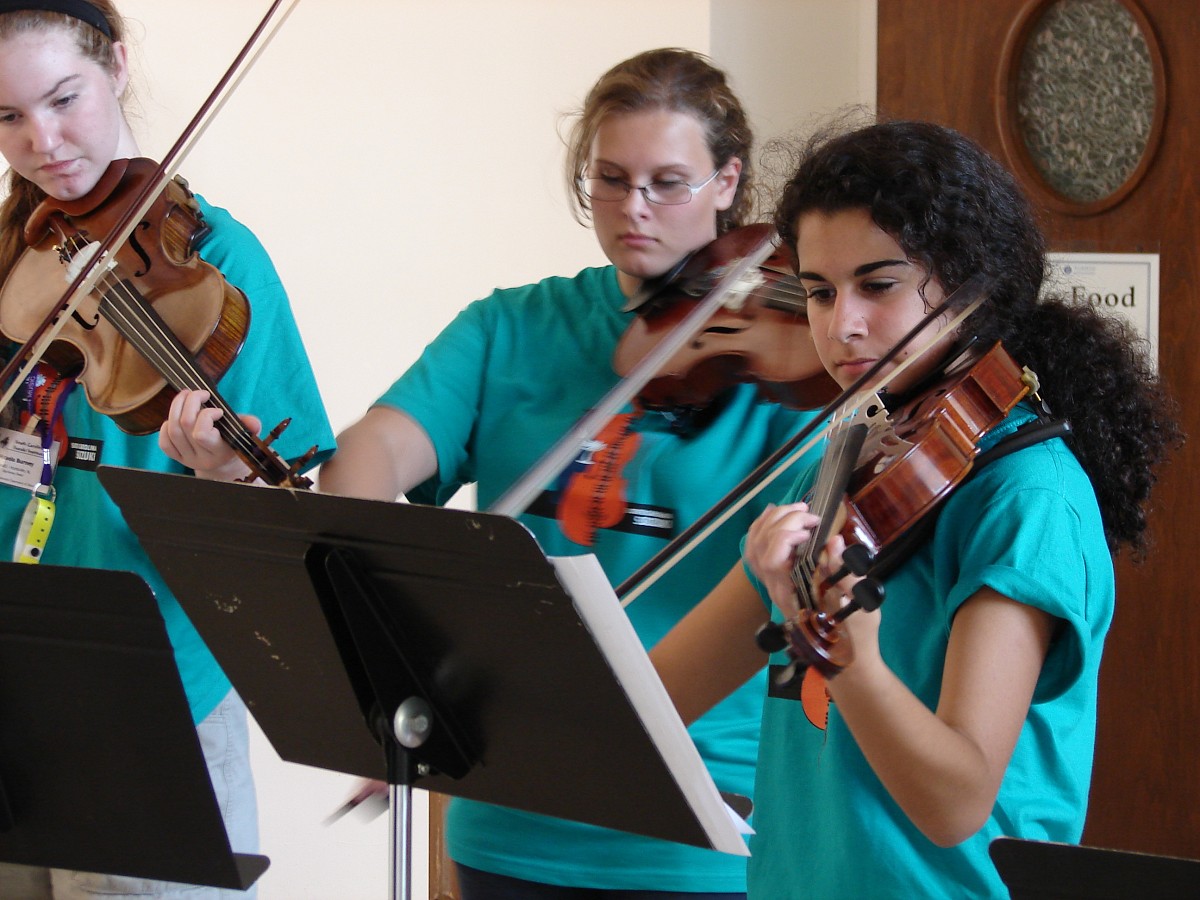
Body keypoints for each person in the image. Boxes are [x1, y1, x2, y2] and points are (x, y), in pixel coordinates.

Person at [316, 48, 824, 899]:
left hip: (700, 822)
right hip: (509, 814)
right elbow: (375, 451)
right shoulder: (512, 327)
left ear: (729, 182)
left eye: (670, 183)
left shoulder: (793, 365)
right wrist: (388, 639)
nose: (635, 210)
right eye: (611, 180)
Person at [649, 119, 1182, 899]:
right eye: (821, 292)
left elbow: (956, 801)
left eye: (879, 284)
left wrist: (852, 661)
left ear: (974, 285)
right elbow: (660, 695)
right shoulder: (854, 456)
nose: (842, 326)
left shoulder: (1025, 498)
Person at [0, 2, 334, 897]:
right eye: (7, 118)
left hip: (151, 702)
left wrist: (221, 474)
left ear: (114, 67)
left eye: (64, 98)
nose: (43, 142)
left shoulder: (220, 264)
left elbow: (287, 517)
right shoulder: (9, 263)